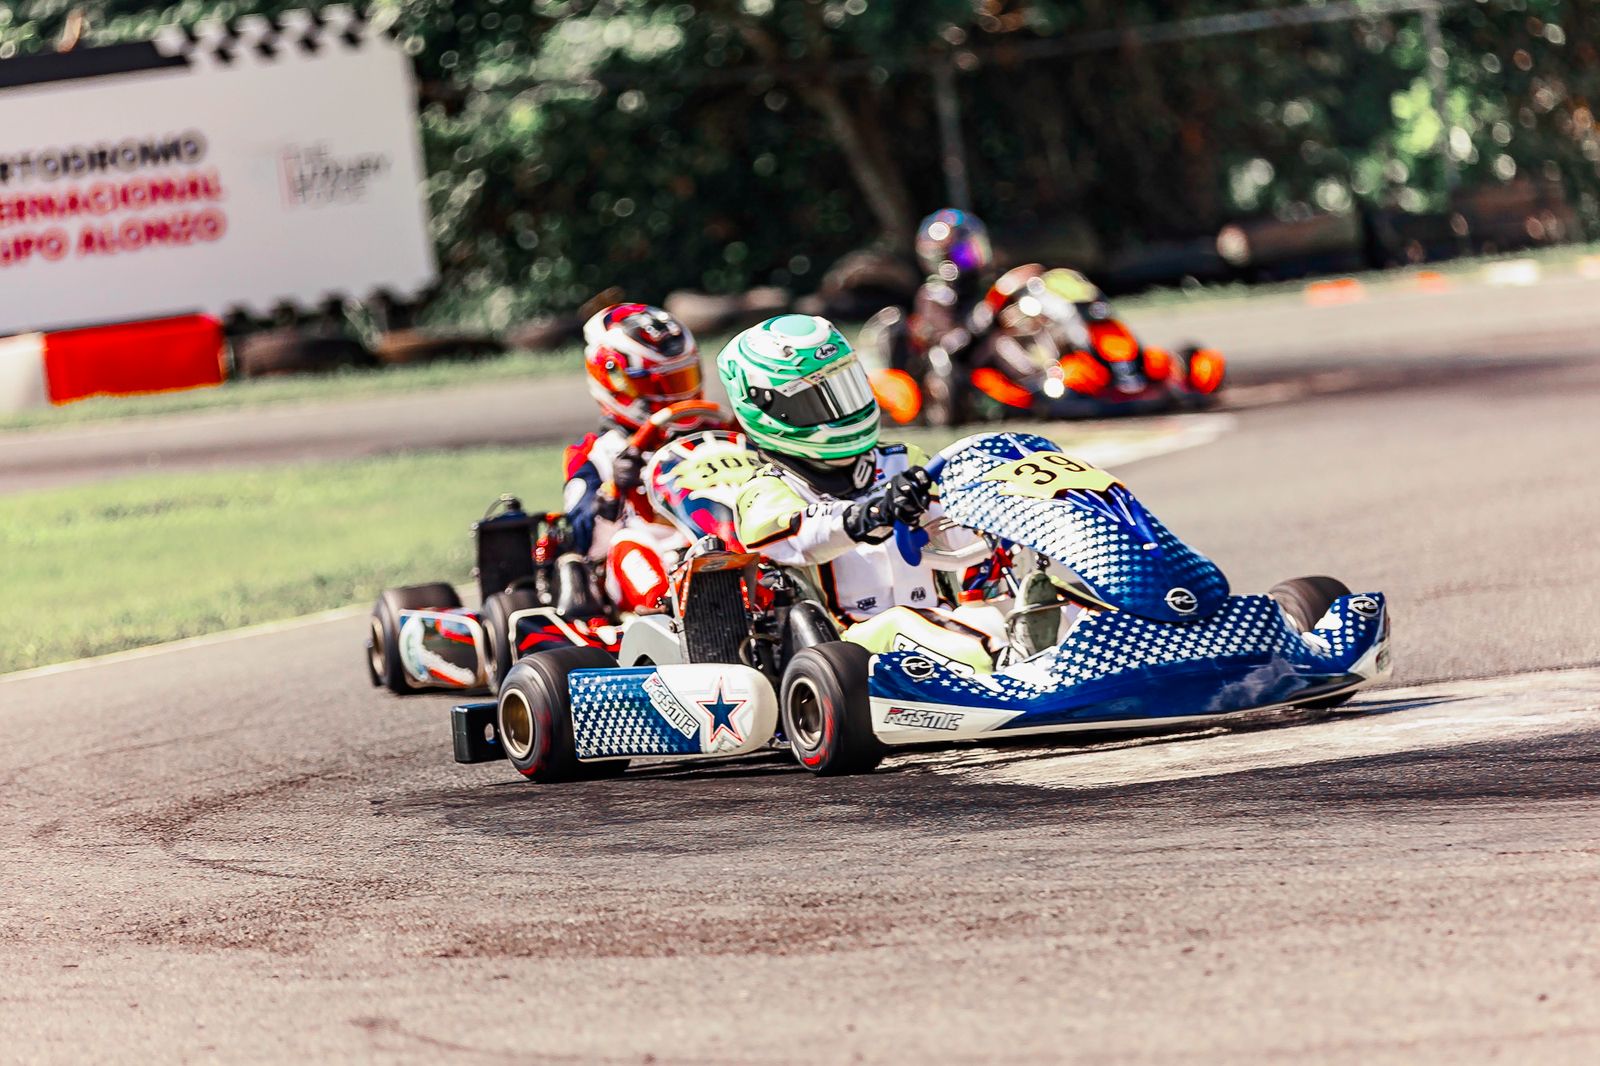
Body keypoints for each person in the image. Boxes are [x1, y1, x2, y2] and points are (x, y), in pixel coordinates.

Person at [719, 313, 1004, 673]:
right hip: (847, 650)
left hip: (943, 621)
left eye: (845, 390)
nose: (843, 411)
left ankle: (1036, 650)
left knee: (1024, 601)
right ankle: (1003, 663)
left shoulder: (904, 460)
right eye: (816, 401)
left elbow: (961, 532)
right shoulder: (766, 489)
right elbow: (803, 536)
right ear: (768, 408)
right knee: (911, 625)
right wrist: (872, 514)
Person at [564, 303, 723, 608]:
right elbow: (587, 545)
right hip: (656, 559)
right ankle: (667, 609)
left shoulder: (720, 433)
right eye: (661, 384)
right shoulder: (595, 455)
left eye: (681, 379)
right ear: (616, 382)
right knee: (630, 545)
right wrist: (613, 492)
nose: (677, 397)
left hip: (722, 544)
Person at [903, 207, 999, 368]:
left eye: (968, 254)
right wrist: (975, 328)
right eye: (961, 255)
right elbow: (944, 341)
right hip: (960, 365)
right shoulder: (934, 295)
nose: (965, 261)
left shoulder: (989, 285)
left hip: (989, 356)